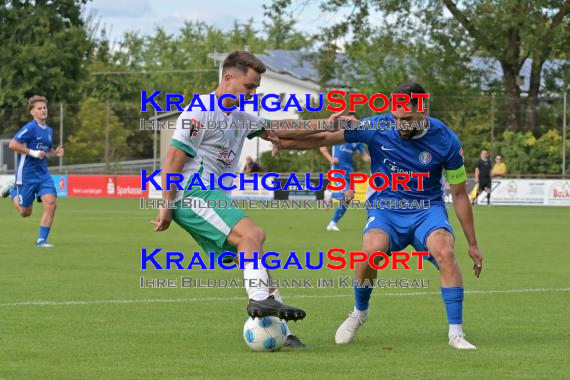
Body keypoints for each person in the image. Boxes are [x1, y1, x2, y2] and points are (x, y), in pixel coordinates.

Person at [150, 50, 349, 348]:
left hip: (210, 196)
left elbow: (283, 131)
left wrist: (330, 125)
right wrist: (166, 205)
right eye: (249, 86)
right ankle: (259, 300)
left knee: (253, 243)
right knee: (253, 234)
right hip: (189, 193)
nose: (253, 92)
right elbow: (174, 157)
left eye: (256, 87)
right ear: (228, 78)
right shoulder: (199, 111)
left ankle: (279, 328)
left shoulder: (242, 118)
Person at [271, 82, 484, 350]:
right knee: (371, 251)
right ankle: (359, 312)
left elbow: (460, 193)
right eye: (396, 118)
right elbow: (327, 139)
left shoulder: (447, 140)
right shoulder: (378, 125)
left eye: (406, 119)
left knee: (445, 251)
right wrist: (284, 143)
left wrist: (473, 244)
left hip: (426, 208)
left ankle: (456, 334)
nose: (399, 125)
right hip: (385, 207)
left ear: (423, 111)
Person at [1, 96, 64, 247]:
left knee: (51, 203)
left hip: (43, 174)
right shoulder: (30, 128)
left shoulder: (48, 130)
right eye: (39, 108)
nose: (43, 110)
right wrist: (33, 153)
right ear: (32, 112)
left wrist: (55, 152)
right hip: (27, 175)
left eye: (44, 107)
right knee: (25, 212)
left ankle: (41, 240)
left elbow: (45, 149)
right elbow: (13, 144)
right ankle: (12, 191)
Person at [320, 113, 370, 231]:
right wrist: (330, 159)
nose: (352, 122)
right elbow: (322, 147)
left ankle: (332, 223)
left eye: (354, 121)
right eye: (350, 120)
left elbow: (365, 156)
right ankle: (330, 194)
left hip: (349, 173)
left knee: (348, 199)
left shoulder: (357, 140)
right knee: (348, 194)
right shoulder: (338, 134)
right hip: (337, 171)